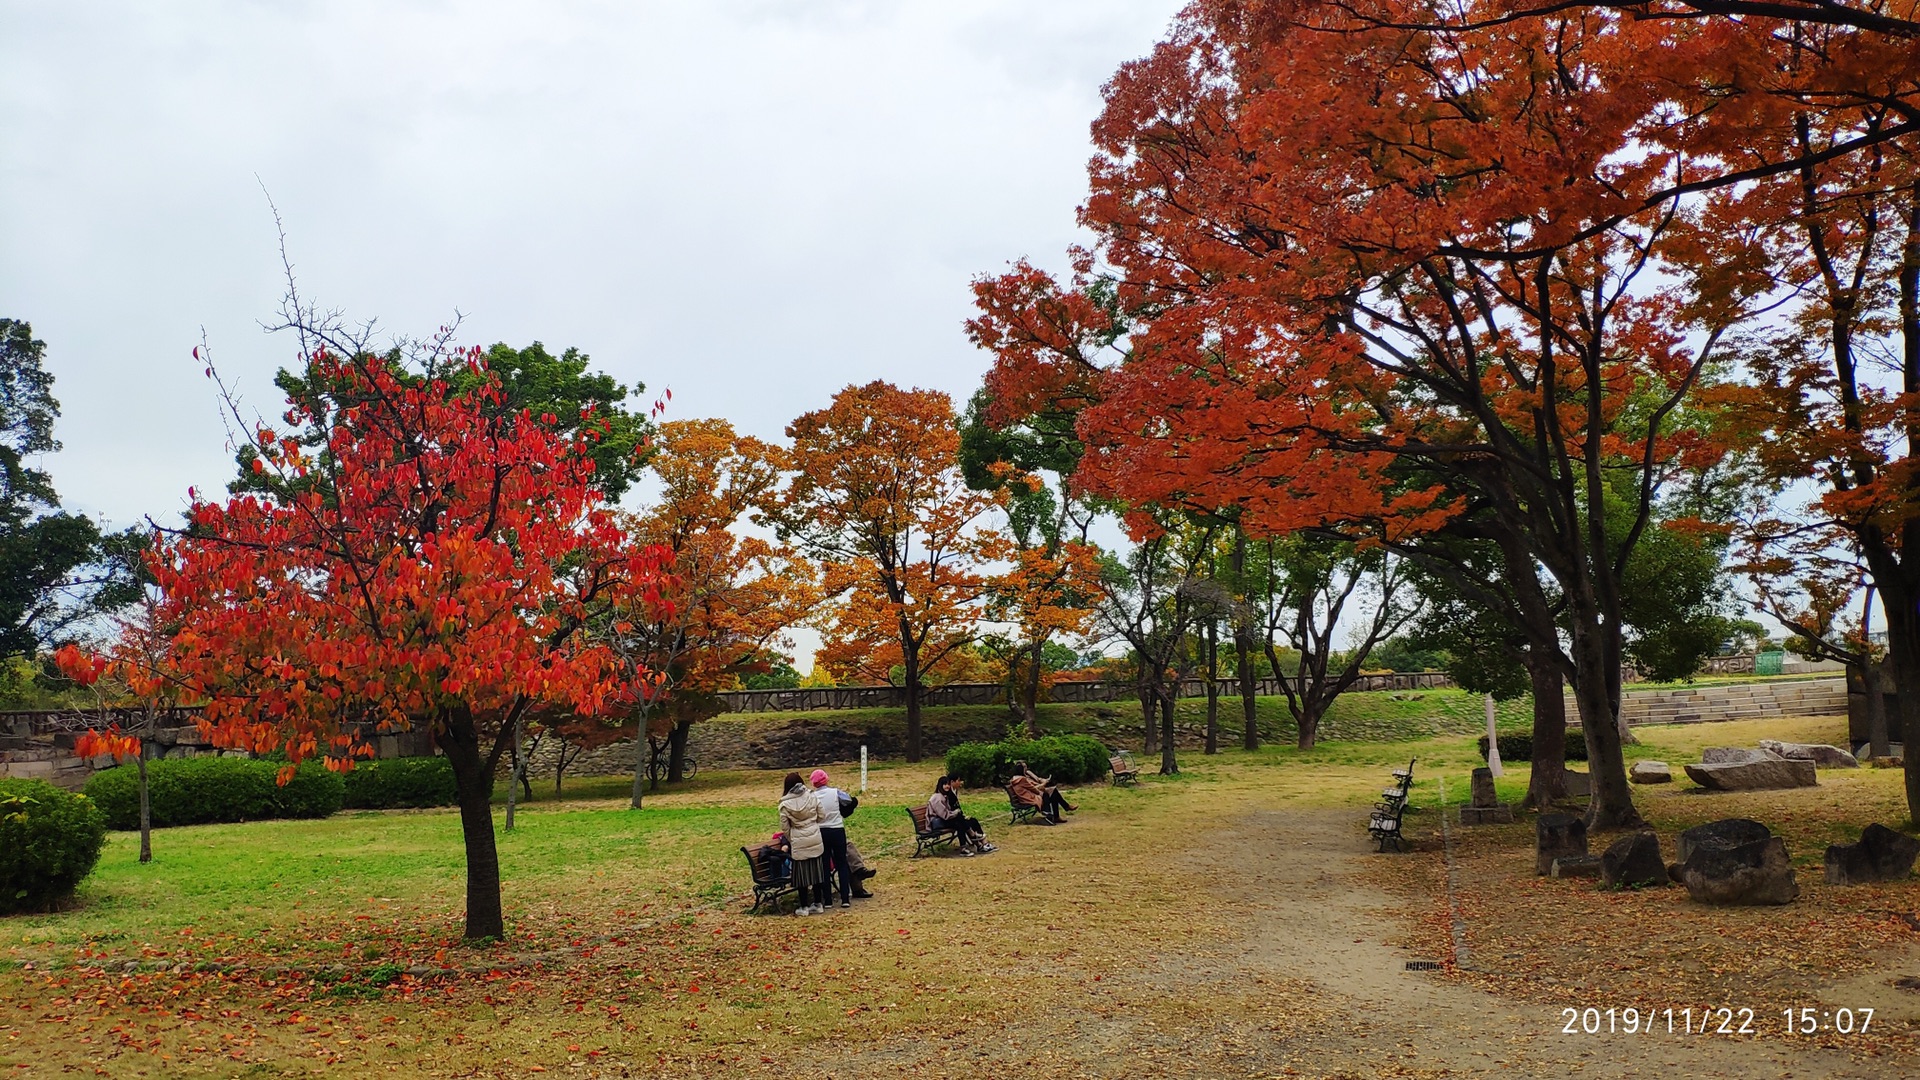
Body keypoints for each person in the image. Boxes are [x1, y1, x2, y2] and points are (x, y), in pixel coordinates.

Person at [778, 771, 830, 914]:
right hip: (814, 836)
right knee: (816, 872)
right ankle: (818, 903)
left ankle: (804, 906)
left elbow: (785, 827)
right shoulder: (812, 796)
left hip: (798, 839)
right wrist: (812, 825)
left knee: (802, 875)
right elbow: (822, 815)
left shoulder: (784, 805)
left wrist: (792, 838)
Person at [809, 768, 856, 909]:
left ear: (813, 783)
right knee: (841, 863)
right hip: (837, 829)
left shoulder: (812, 796)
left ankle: (828, 900)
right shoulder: (835, 792)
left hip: (821, 831)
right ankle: (845, 898)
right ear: (826, 779)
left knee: (824, 865)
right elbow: (848, 800)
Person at [929, 775, 993, 854]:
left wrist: (957, 814)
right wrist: (956, 813)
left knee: (965, 821)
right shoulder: (937, 798)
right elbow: (945, 815)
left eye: (948, 784)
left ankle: (973, 844)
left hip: (944, 820)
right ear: (940, 785)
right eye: (945, 784)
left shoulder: (944, 796)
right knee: (959, 821)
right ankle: (973, 836)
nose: (947, 786)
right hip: (937, 822)